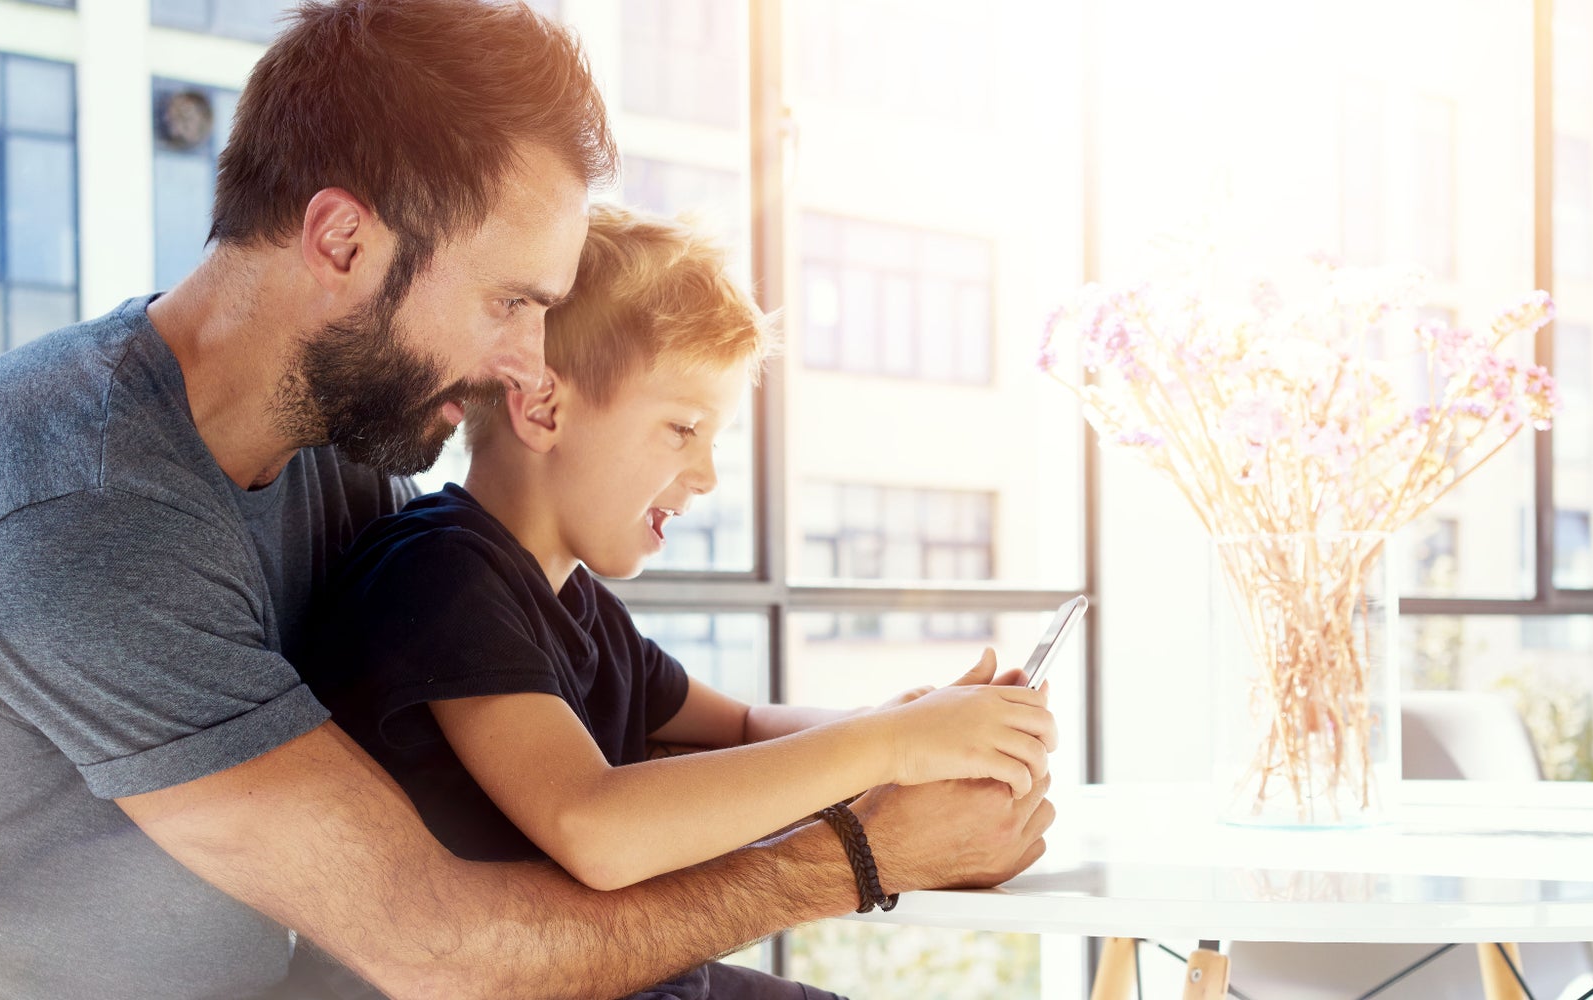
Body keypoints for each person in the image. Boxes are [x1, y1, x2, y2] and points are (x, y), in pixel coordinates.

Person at [0, 2, 1054, 999]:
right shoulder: (79, 503)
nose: (526, 366)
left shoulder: (349, 443)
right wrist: (863, 854)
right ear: (340, 242)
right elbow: (441, 951)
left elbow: (559, 747)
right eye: (510, 301)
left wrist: (894, 734)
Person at [294, 206, 1057, 998]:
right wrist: (891, 745)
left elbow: (743, 730)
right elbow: (595, 825)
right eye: (682, 429)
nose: (708, 476)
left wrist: (923, 724)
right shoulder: (441, 574)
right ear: (543, 409)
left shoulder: (577, 602)